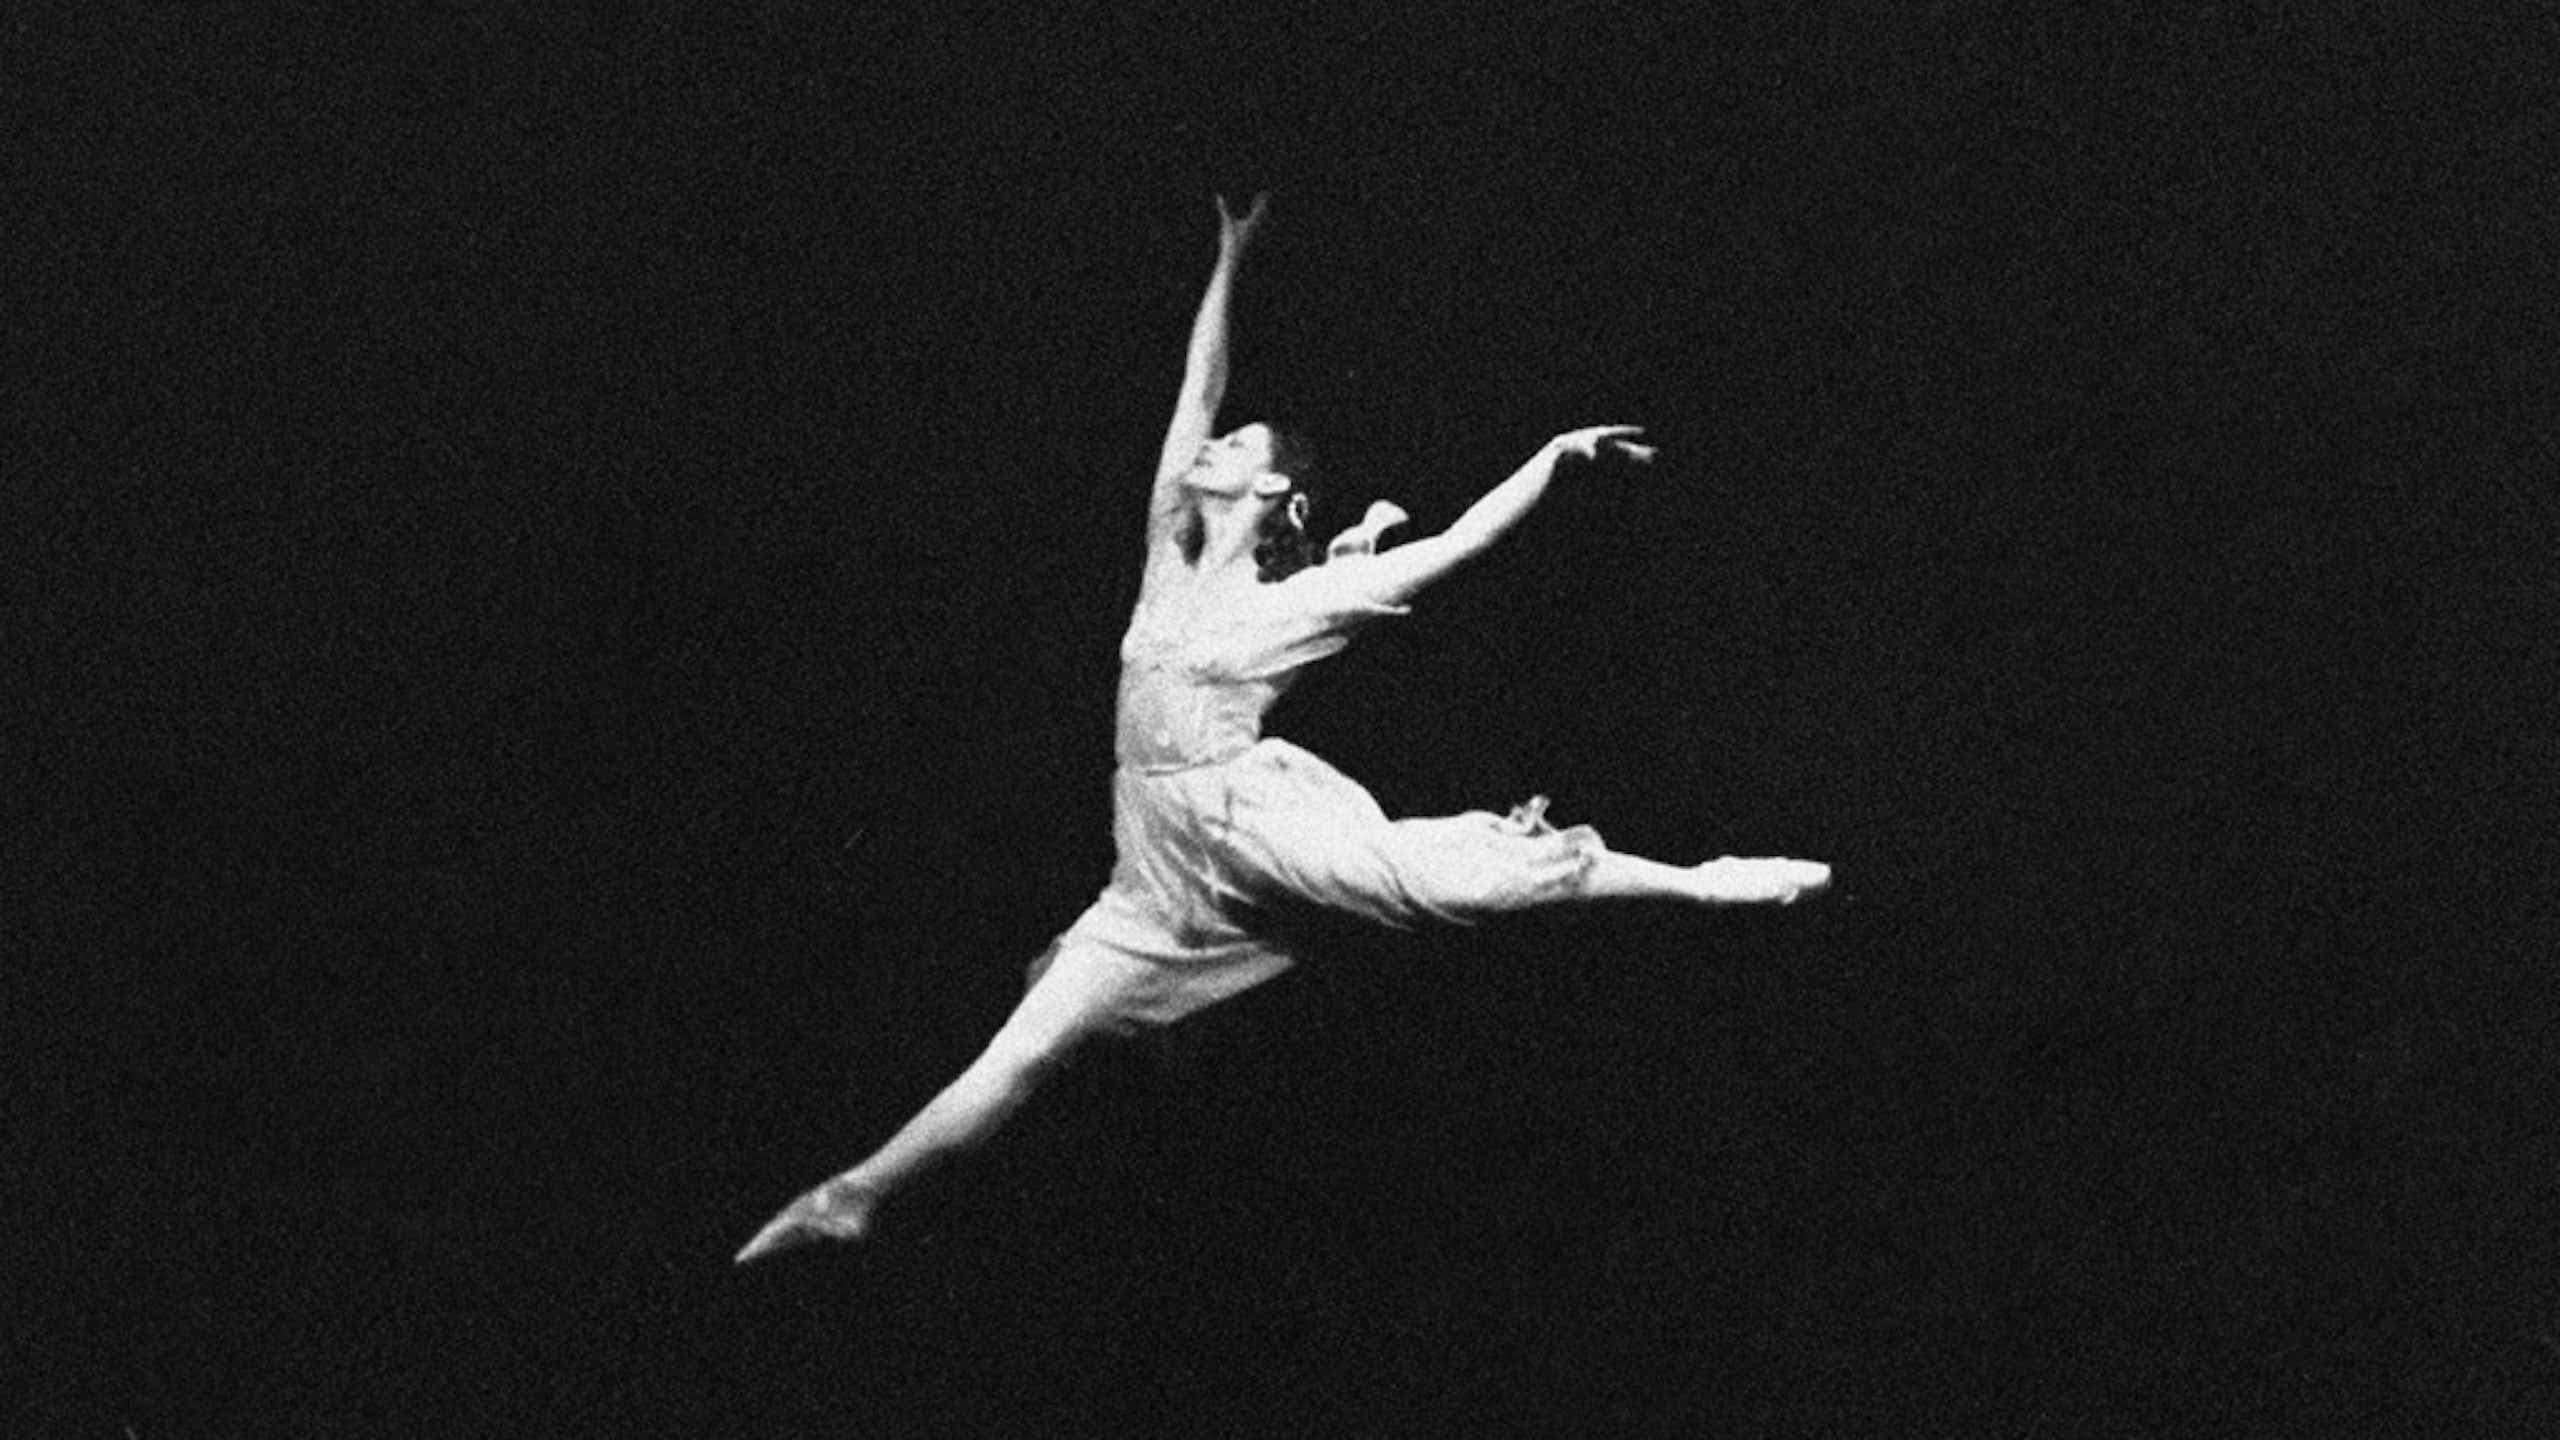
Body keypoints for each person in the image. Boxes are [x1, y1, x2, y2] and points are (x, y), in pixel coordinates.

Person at [734, 193, 1831, 1264]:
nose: (1207, 446)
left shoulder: (1296, 604)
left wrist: (1551, 458)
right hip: (1150, 862)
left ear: (1267, 484)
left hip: (1244, 819)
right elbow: (1197, 386)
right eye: (1212, 442)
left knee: (1434, 882)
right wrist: (1228, 260)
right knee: (1026, 1047)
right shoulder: (1167, 557)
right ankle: (855, 1197)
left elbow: (1452, 549)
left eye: (1233, 444)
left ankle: (1704, 880)